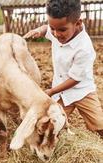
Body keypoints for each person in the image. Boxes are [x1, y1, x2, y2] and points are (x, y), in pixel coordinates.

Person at [23, 0, 103, 137]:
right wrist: (39, 31)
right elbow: (46, 28)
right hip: (61, 93)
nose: (55, 34)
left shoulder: (84, 48)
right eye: (52, 28)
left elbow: (75, 79)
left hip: (82, 92)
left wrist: (51, 91)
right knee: (50, 125)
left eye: (62, 30)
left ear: (78, 23)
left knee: (98, 125)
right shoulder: (57, 29)